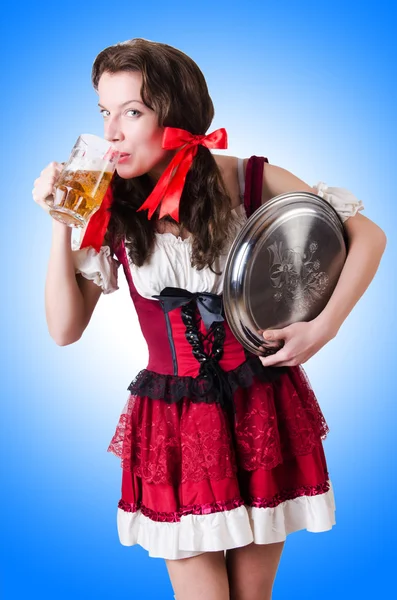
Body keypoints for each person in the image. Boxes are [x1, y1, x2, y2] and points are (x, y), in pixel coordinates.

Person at [32, 38, 387, 600]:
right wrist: (59, 222)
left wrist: (323, 328)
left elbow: (366, 235)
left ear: (176, 115)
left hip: (261, 406)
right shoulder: (111, 206)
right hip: (175, 425)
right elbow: (64, 328)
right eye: (105, 112)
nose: (113, 132)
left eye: (133, 112)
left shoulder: (249, 177)